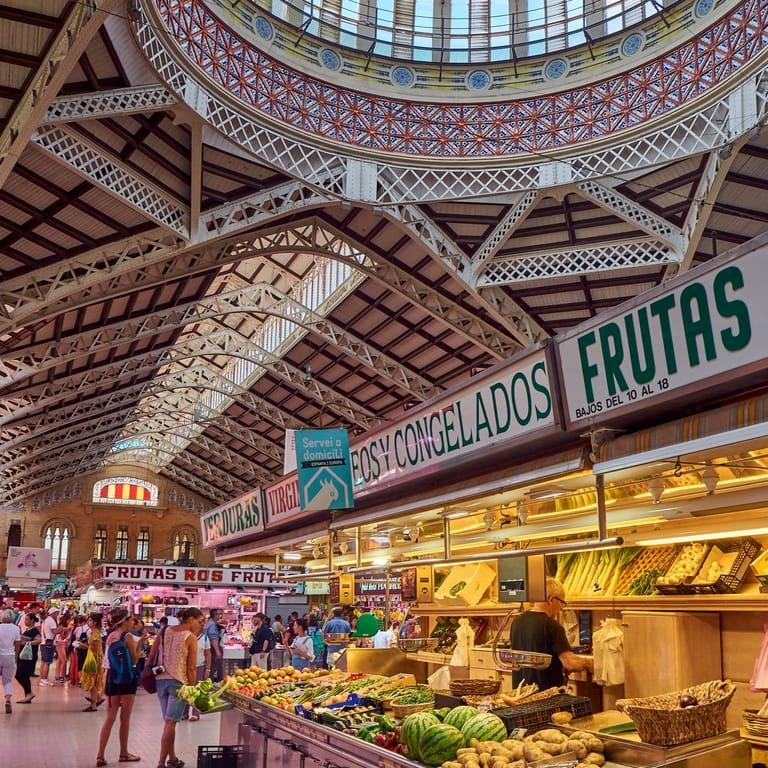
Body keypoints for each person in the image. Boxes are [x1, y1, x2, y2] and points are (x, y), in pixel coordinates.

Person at [509, 577, 593, 690]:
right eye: (562, 603)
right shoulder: (552, 626)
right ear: (551, 600)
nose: (561, 608)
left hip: (520, 695)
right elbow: (570, 663)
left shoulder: (517, 622)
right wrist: (588, 663)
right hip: (546, 697)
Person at [152, 607, 204, 768]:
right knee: (170, 724)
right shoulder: (190, 637)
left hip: (161, 681)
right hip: (178, 683)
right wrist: (193, 688)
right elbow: (191, 668)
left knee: (169, 723)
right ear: (191, 619)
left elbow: (152, 653)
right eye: (200, 621)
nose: (201, 625)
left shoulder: (165, 630)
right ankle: (161, 762)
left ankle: (172, 758)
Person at [96, 608, 142, 767]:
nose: (132, 623)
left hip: (111, 679)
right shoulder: (128, 637)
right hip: (128, 680)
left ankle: (100, 755)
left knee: (109, 718)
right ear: (124, 621)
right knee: (125, 719)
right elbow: (135, 660)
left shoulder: (110, 637)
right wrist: (140, 645)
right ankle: (124, 753)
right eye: (131, 620)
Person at [81, 612, 106, 711]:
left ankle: (93, 704)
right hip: (95, 658)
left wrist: (84, 646)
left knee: (92, 681)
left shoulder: (94, 633)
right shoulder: (94, 632)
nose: (88, 622)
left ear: (95, 622)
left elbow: (94, 648)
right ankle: (97, 699)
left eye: (90, 620)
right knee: (93, 681)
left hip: (94, 659)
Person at [15, 613, 41, 704]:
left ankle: (29, 694)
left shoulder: (34, 631)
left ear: (32, 620)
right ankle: (28, 694)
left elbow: (39, 640)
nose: (25, 621)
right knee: (21, 675)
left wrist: (28, 643)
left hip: (28, 657)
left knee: (22, 675)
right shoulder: (27, 630)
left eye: (27, 619)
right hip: (23, 656)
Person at [188, 622, 211, 721]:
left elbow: (208, 654)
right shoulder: (187, 636)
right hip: (187, 667)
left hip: (199, 667)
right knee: (186, 690)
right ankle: (184, 712)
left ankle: (195, 713)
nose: (201, 627)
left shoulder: (205, 638)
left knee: (197, 690)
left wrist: (208, 669)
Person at [0, 609, 21, 713]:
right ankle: (8, 700)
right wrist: (16, 656)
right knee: (7, 680)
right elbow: (17, 644)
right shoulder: (16, 629)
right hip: (10, 655)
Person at [39, 606, 59, 685]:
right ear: (53, 613)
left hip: (44, 643)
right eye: (57, 613)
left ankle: (42, 679)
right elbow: (54, 631)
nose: (57, 615)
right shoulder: (51, 621)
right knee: (47, 662)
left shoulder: (45, 620)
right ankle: (44, 679)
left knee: (43, 662)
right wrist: (63, 630)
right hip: (49, 643)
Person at [204, 609, 223, 682]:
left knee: (211, 667)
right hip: (212, 649)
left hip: (209, 647)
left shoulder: (209, 623)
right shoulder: (212, 624)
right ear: (215, 615)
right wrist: (217, 651)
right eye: (218, 614)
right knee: (212, 668)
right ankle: (211, 685)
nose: (220, 616)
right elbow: (213, 639)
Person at [55, 613, 72, 683]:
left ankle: (57, 675)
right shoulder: (62, 627)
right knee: (64, 660)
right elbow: (62, 636)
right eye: (69, 619)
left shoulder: (62, 626)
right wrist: (68, 631)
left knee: (59, 660)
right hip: (60, 643)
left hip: (61, 643)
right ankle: (61, 676)